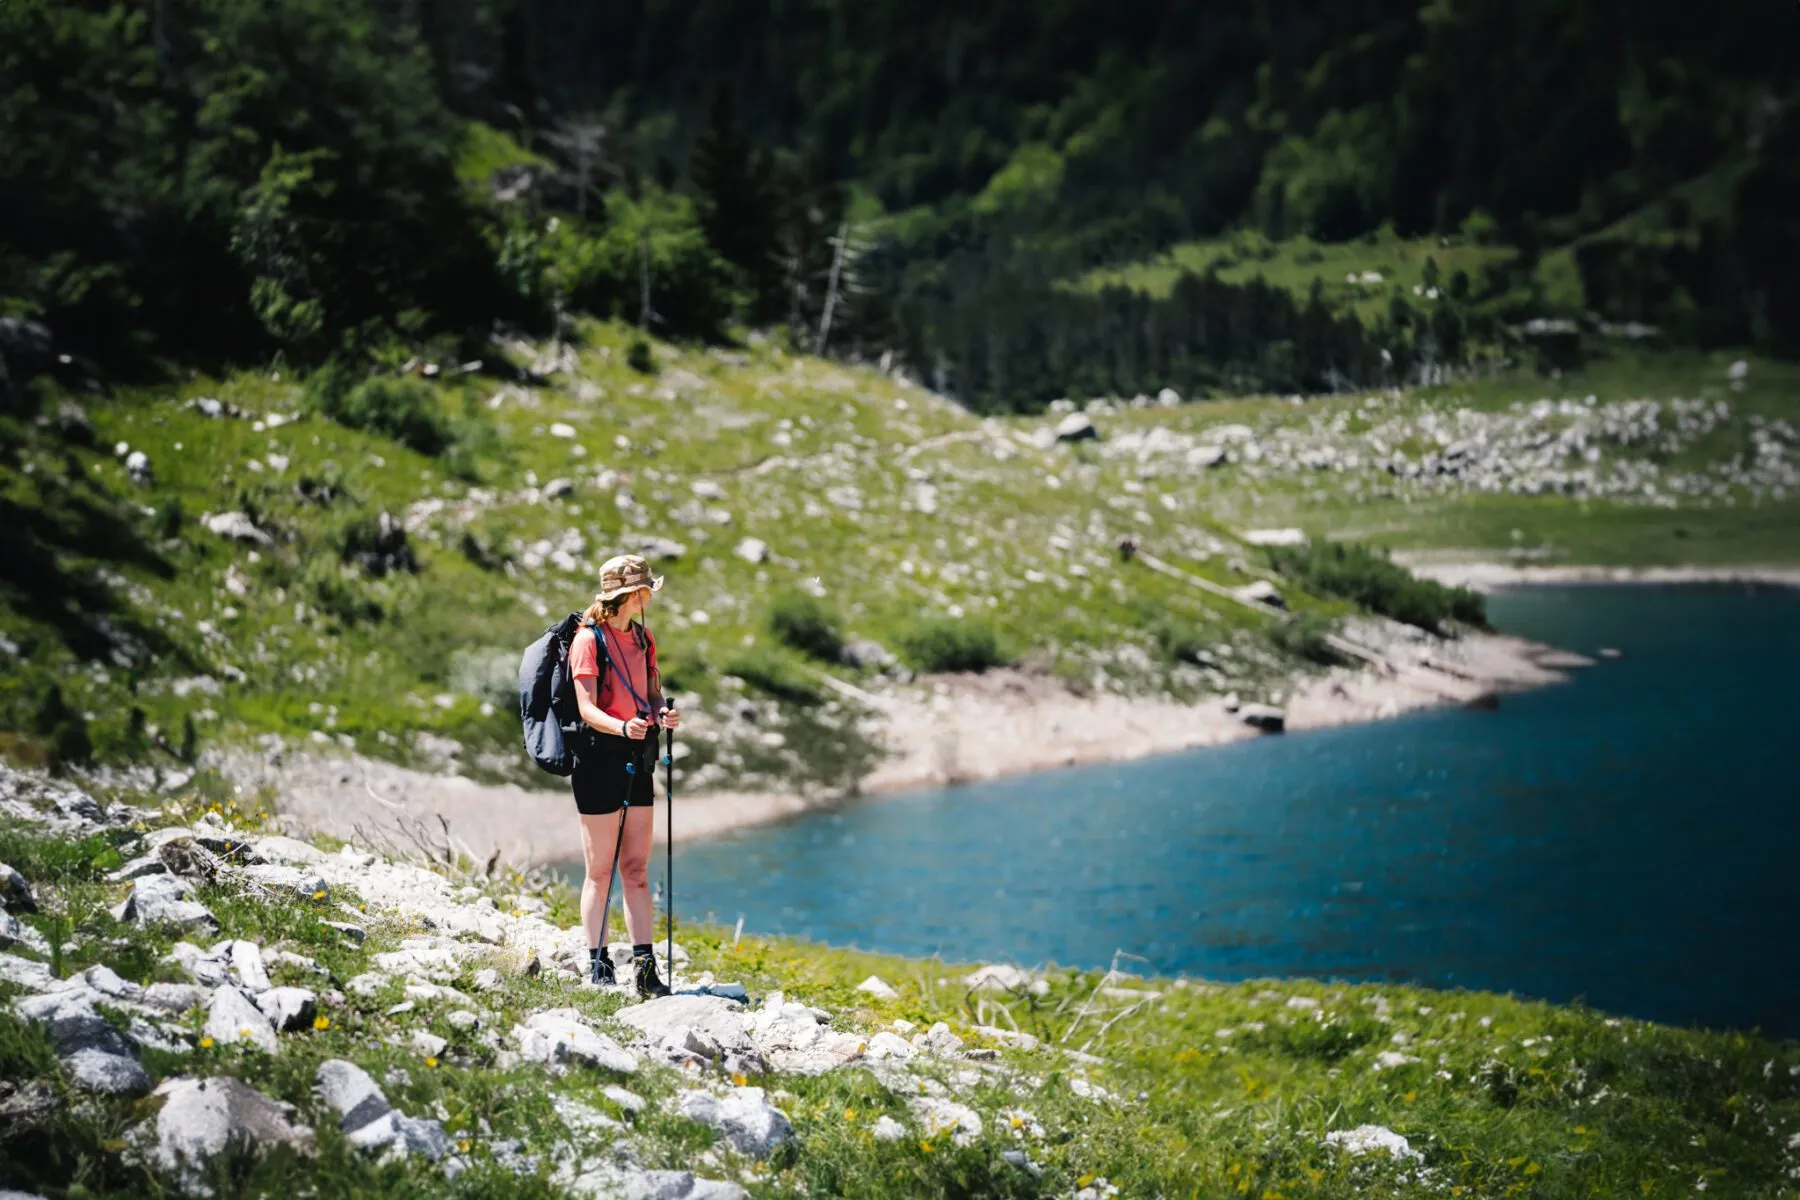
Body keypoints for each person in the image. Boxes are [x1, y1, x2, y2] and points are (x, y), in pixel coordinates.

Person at [569, 554, 682, 995]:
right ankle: (598, 964)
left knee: (635, 869)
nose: (650, 596)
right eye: (646, 590)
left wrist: (662, 714)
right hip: (599, 758)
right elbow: (586, 708)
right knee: (600, 871)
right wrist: (621, 725)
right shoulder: (587, 641)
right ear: (632, 595)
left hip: (639, 755)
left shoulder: (644, 638)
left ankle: (645, 968)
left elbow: (652, 696)